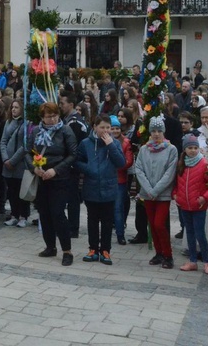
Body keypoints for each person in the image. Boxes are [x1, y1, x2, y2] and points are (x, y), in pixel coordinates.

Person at [27, 102, 78, 266]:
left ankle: (67, 250)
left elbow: (73, 154)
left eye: (55, 115)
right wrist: (34, 168)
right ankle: (50, 246)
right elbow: (27, 152)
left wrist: (55, 170)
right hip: (41, 177)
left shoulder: (65, 130)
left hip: (59, 178)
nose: (52, 119)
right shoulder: (35, 131)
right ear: (42, 117)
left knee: (58, 213)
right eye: (48, 116)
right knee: (44, 213)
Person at [76, 115, 126, 266]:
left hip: (109, 187)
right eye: (102, 127)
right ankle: (93, 249)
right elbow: (78, 161)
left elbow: (121, 163)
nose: (105, 130)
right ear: (95, 127)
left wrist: (110, 145)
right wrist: (89, 169)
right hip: (91, 187)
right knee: (92, 220)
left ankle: (105, 250)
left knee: (106, 221)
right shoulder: (86, 143)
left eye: (108, 128)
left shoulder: (115, 143)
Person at [135, 116, 179, 269]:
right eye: (153, 130)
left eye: (159, 131)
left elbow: (169, 173)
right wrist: (148, 189)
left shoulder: (171, 149)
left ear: (163, 132)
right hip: (148, 194)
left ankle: (168, 254)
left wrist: (156, 190)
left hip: (162, 194)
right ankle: (158, 252)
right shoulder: (144, 149)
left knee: (159, 224)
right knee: (152, 225)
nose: (156, 134)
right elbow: (139, 169)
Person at [173, 134, 208, 274]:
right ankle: (192, 260)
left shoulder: (204, 164)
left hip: (198, 205)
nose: (192, 150)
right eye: (189, 148)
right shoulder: (181, 164)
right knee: (189, 232)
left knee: (200, 234)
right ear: (184, 149)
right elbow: (176, 183)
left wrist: (204, 198)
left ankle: (207, 261)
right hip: (184, 205)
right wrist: (176, 195)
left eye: (195, 147)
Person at [1, 99, 29, 227]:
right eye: (12, 107)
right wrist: (5, 159)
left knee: (21, 190)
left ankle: (23, 215)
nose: (13, 109)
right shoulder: (8, 122)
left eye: (16, 107)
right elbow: (3, 141)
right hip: (8, 163)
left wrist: (13, 160)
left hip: (20, 163)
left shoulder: (26, 124)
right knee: (11, 191)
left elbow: (25, 145)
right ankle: (14, 214)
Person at [110, 115, 134, 245]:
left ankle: (120, 234)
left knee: (118, 208)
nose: (115, 131)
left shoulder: (125, 142)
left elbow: (129, 161)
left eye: (117, 128)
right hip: (107, 178)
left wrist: (117, 165)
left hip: (120, 179)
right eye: (112, 128)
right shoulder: (104, 141)